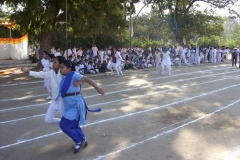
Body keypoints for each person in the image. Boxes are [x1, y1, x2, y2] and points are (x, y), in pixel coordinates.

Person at [57, 60, 105, 154]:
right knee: (73, 124)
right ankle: (84, 140)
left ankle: (78, 141)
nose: (60, 69)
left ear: (69, 69)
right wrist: (79, 83)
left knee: (64, 124)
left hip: (76, 104)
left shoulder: (73, 74)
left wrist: (98, 89)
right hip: (69, 104)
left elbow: (87, 79)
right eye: (60, 67)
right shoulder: (65, 77)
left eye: (62, 68)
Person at [21, 56, 82, 124]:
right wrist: (28, 72)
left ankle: (75, 129)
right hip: (54, 101)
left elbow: (79, 77)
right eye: (53, 62)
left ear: (61, 64)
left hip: (63, 101)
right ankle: (63, 122)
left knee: (68, 121)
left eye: (55, 62)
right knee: (48, 119)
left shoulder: (64, 73)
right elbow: (40, 74)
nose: (53, 64)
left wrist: (80, 82)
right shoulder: (51, 73)